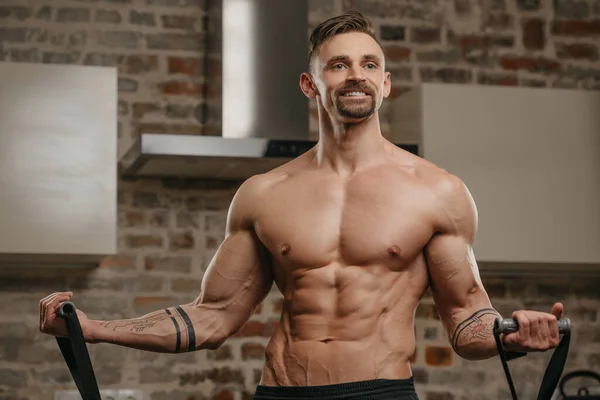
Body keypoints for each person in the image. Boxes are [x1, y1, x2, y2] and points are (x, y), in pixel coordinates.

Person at [40, 11, 565, 400]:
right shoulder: (264, 193)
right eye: (338, 65)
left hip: (378, 394)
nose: (354, 74)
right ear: (311, 85)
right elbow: (215, 317)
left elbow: (466, 320)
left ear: (385, 83)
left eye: (368, 64)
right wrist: (96, 329)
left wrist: (509, 334)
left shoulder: (437, 191)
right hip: (281, 391)